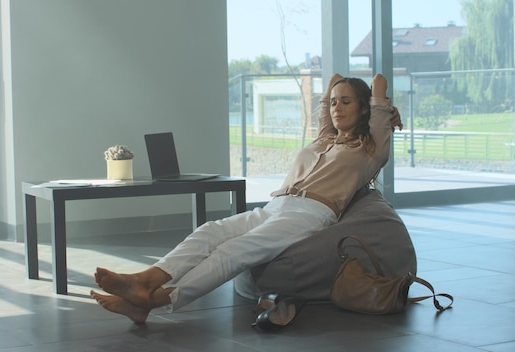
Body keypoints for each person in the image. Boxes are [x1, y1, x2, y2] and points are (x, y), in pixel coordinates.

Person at [91, 73, 403, 323]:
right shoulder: (324, 138)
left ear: (364, 109)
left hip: (312, 211)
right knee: (210, 230)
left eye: (346, 102)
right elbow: (331, 85)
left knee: (235, 251)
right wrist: (339, 92)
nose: (335, 107)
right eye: (334, 102)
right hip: (278, 203)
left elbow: (378, 81)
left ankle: (160, 299)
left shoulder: (371, 149)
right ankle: (145, 281)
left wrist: (385, 109)